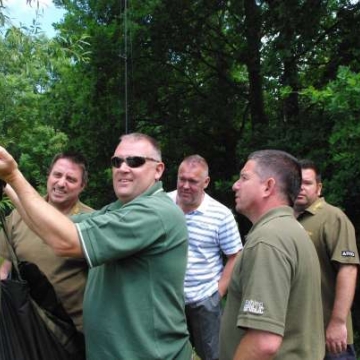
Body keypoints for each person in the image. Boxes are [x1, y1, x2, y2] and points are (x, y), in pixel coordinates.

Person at [0, 133, 192, 360]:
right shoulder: (119, 210)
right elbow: (50, 229)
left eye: (135, 161)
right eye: (117, 161)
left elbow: (65, 242)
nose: (123, 168)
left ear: (158, 170)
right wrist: (7, 185)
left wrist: (13, 174)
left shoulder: (155, 213)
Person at [219, 150, 325, 360]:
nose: (235, 185)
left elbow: (263, 342)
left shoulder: (268, 240)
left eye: (244, 177)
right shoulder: (292, 231)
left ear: (268, 186)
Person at [0, 151, 93, 333]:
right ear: (48, 176)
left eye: (71, 179)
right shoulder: (17, 216)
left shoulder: (92, 221)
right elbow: (4, 270)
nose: (61, 183)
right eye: (57, 175)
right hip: (23, 326)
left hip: (70, 334)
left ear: (83, 186)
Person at [168, 154, 242, 360]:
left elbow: (235, 255)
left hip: (204, 297)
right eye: (181, 179)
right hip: (167, 298)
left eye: (193, 181)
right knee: (166, 354)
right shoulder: (163, 204)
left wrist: (217, 294)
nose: (185, 185)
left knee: (213, 355)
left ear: (206, 182)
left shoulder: (220, 214)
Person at [294, 159, 359, 360]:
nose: (300, 188)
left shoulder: (333, 218)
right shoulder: (284, 219)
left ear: (319, 187)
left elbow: (348, 269)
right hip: (296, 334)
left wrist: (338, 322)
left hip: (329, 334)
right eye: (296, 182)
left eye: (307, 183)